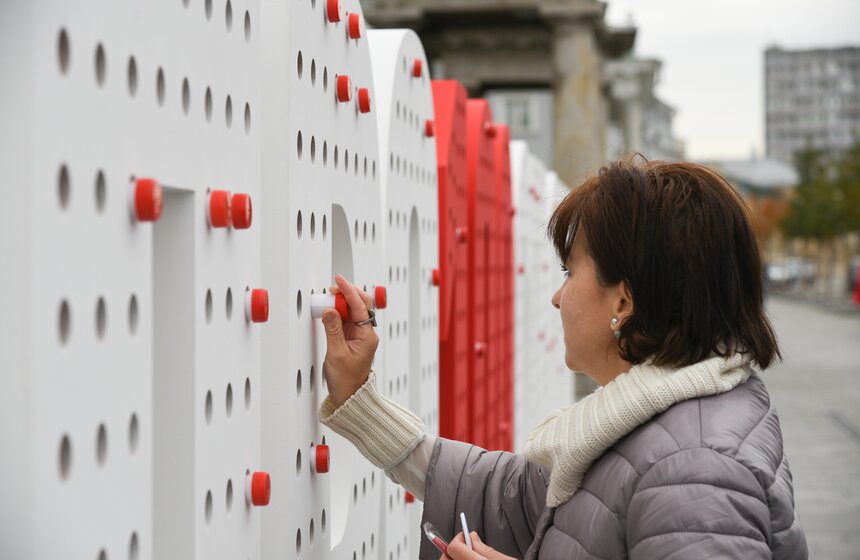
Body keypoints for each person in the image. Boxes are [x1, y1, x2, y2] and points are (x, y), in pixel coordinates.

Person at [318, 158, 808, 559]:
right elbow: (508, 498)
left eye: (570, 270)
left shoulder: (693, 468)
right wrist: (362, 402)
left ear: (623, 301)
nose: (557, 297)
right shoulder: (644, 420)